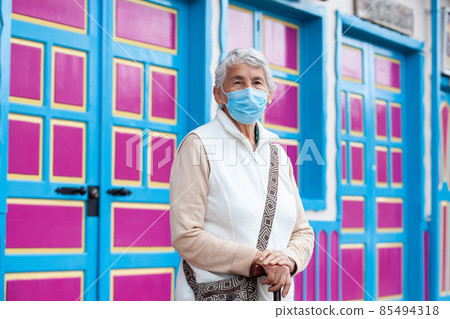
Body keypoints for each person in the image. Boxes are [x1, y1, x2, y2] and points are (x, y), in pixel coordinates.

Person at [169, 48, 314, 301]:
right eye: (238, 82)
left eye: (257, 82)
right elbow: (187, 235)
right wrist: (256, 261)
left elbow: (302, 232)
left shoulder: (278, 154)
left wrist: (288, 260)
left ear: (269, 96)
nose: (249, 90)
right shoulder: (199, 144)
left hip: (274, 297)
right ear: (219, 93)